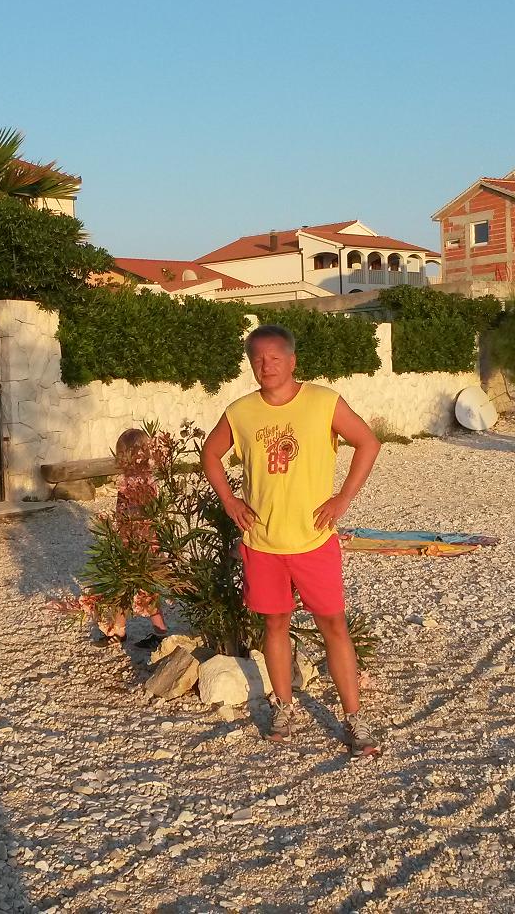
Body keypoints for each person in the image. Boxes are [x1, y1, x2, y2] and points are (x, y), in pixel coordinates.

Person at [200, 324, 383, 756]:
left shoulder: (323, 402)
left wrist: (342, 498)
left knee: (333, 625)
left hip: (314, 540)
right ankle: (283, 708)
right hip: (263, 543)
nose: (266, 367)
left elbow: (368, 443)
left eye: (275, 359)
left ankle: (353, 717)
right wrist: (229, 501)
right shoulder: (241, 412)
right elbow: (210, 454)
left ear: (292, 360)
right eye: (258, 360)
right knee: (275, 625)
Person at [95, 427, 172, 650]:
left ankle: (160, 632)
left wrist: (137, 541)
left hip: (142, 544)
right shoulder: (130, 479)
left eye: (121, 455)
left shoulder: (142, 481)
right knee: (122, 585)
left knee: (146, 589)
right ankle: (119, 629)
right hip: (128, 541)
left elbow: (144, 513)